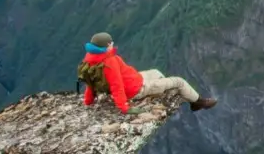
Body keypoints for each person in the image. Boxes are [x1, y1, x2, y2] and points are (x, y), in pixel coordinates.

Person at [78, 32, 217, 113]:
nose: (113, 44)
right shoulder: (110, 62)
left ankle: (162, 88)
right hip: (136, 89)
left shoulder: (89, 60)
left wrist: (88, 101)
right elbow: (116, 85)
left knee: (155, 72)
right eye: (111, 43)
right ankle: (198, 102)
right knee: (179, 82)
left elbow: (91, 82)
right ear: (107, 46)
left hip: (135, 79)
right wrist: (125, 108)